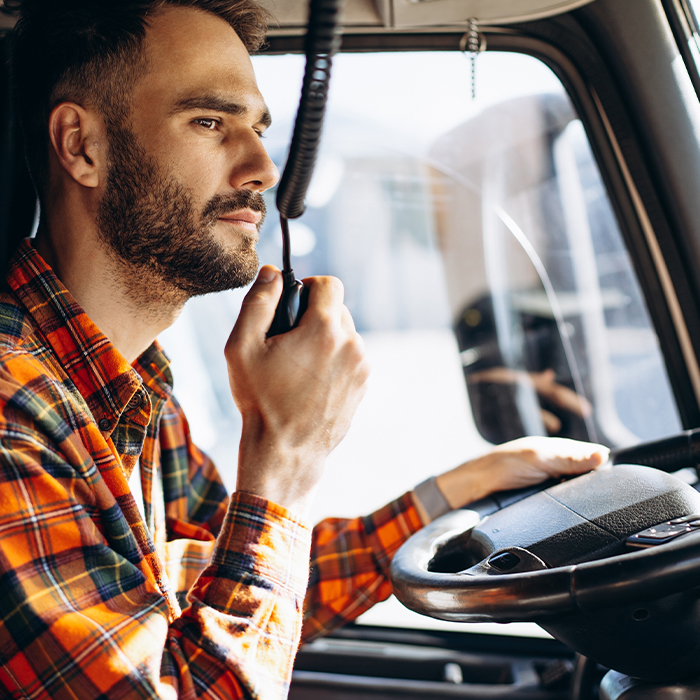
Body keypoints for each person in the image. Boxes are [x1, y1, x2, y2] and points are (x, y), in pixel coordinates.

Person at [0, 1, 608, 698]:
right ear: (82, 146)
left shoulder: (129, 394)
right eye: (209, 121)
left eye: (258, 128)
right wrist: (284, 455)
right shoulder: (11, 415)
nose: (262, 166)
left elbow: (246, 586)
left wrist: (453, 495)